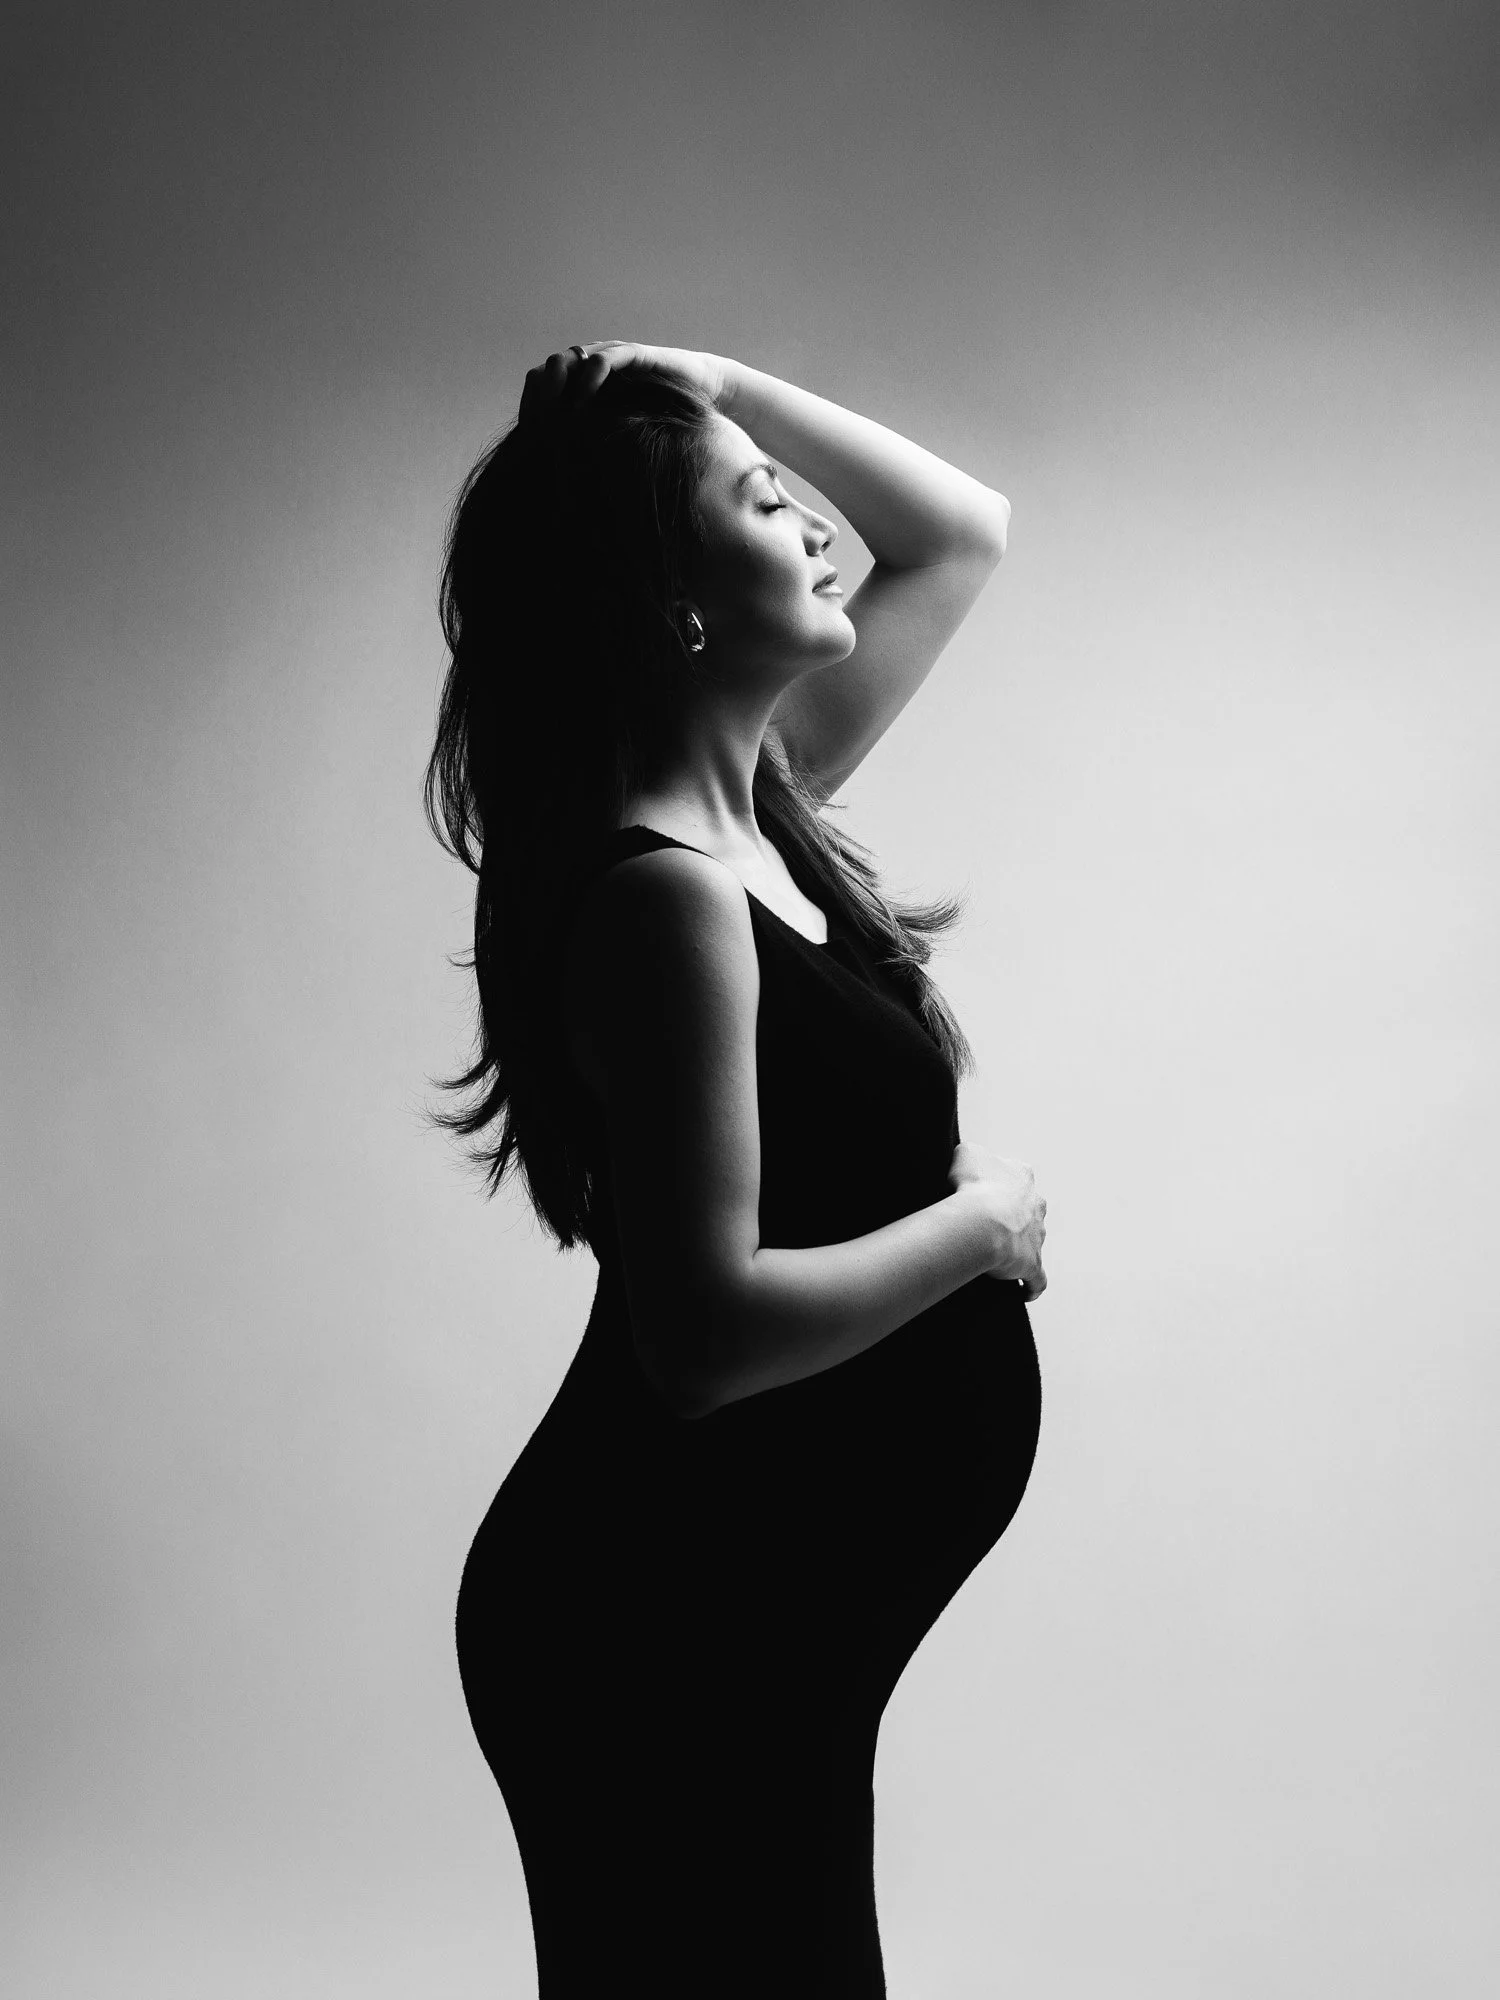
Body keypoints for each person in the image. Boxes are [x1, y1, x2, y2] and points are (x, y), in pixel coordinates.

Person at [425, 339, 1048, 1998]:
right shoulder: (668, 895)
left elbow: (959, 534)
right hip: (658, 1627)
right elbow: (701, 1340)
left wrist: (716, 389)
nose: (820, 530)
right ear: (675, 597)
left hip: (752, 1617)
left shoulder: (759, 821)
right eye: (769, 506)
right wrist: (975, 1231)